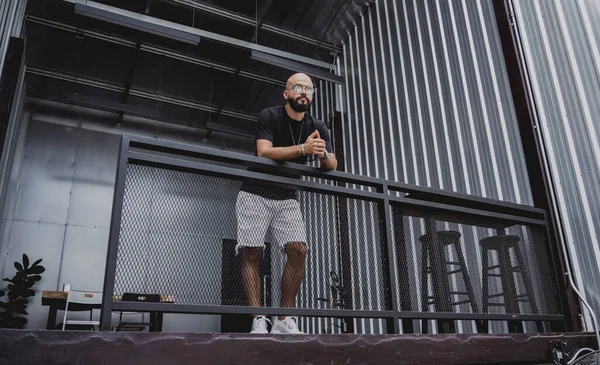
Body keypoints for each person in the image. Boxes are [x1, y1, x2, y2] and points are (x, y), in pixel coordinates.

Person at [235, 72, 338, 334]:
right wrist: (303, 150)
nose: (304, 92)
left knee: (298, 250)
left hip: (287, 197)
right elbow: (264, 151)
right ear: (286, 94)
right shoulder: (269, 116)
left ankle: (282, 319)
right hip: (254, 192)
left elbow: (332, 164)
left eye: (309, 89)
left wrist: (321, 151)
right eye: (298, 87)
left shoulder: (317, 125)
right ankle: (258, 319)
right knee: (251, 253)